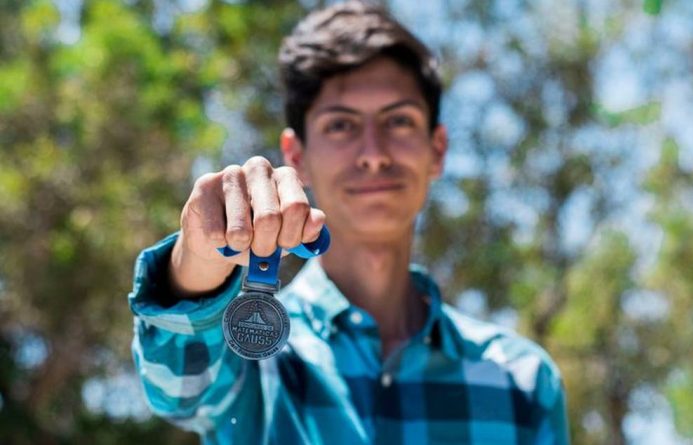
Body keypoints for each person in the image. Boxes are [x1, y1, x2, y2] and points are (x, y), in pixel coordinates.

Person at [128, 1, 570, 444]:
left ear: (437, 149)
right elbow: (180, 390)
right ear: (296, 155)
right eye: (341, 125)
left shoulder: (523, 381)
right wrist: (200, 257)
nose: (373, 153)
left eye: (399, 120)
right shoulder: (250, 358)